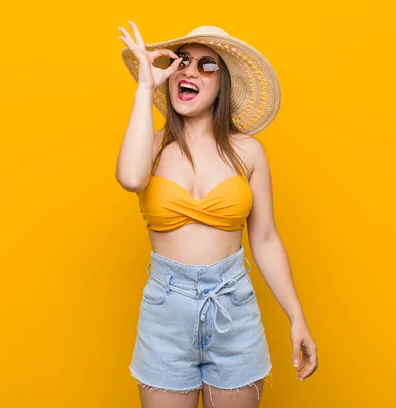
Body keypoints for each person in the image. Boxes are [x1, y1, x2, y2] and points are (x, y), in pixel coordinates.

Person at [116, 21, 318, 408]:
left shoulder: (248, 152)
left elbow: (265, 239)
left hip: (233, 306)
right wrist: (144, 89)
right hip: (165, 311)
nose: (190, 71)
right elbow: (130, 177)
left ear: (223, 83)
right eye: (183, 61)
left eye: (207, 65)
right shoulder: (152, 147)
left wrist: (297, 317)